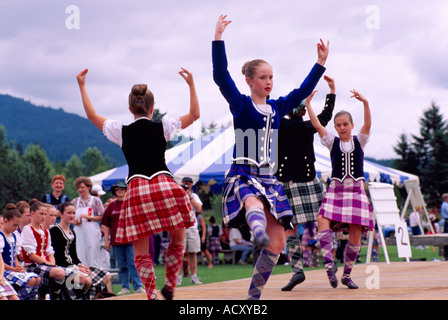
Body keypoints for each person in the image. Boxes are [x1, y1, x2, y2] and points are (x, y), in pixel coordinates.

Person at [213, 15, 328, 299]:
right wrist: (218, 39)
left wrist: (320, 64)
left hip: (269, 177)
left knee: (277, 245)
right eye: (263, 77)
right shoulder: (241, 105)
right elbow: (220, 76)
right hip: (244, 173)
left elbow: (302, 92)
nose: (268, 82)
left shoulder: (277, 108)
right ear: (250, 81)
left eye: (271, 77)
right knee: (251, 200)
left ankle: (253, 296)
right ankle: (257, 230)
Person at [76, 64, 200, 300]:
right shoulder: (163, 126)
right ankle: (170, 285)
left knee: (140, 250)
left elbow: (92, 116)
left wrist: (82, 86)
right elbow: (194, 115)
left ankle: (151, 295)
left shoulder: (121, 130)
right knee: (177, 239)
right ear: (152, 107)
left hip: (137, 188)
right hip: (164, 184)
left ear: (130, 108)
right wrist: (191, 85)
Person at [306, 88, 373, 289]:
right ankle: (328, 263)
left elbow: (368, 124)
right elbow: (317, 125)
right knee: (322, 219)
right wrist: (309, 104)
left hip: (355, 189)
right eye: (338, 125)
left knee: (356, 232)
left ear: (352, 125)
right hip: (335, 188)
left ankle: (347, 274)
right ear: (335, 127)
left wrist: (365, 102)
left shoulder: (359, 140)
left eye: (345, 124)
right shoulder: (331, 142)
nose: (342, 128)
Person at [277, 76, 335, 291]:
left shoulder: (280, 125)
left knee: (289, 228)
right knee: (323, 221)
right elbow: (326, 116)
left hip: (285, 182)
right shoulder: (307, 126)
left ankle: (297, 271)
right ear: (303, 111)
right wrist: (331, 92)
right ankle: (329, 264)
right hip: (308, 179)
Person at [51, 202, 112, 300]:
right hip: (62, 267)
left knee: (106, 276)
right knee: (85, 280)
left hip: (72, 266)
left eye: (73, 213)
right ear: (61, 214)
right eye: (68, 213)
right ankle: (75, 297)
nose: (71, 216)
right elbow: (58, 257)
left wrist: (81, 265)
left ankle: (85, 297)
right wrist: (76, 268)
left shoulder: (72, 231)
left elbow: (73, 255)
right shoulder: (55, 230)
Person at [101, 181, 145, 295]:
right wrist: (106, 240)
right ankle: (125, 287)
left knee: (133, 263)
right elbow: (107, 225)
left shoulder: (132, 204)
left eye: (122, 189)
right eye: (117, 189)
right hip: (116, 240)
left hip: (131, 239)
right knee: (121, 265)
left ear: (126, 190)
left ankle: (138, 286)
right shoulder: (111, 206)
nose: (119, 191)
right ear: (115, 192)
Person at [21, 201, 68, 299]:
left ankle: (59, 295)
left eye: (45, 214)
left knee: (76, 276)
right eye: (41, 214)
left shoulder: (45, 231)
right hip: (32, 266)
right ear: (32, 214)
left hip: (46, 265)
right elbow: (31, 255)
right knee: (59, 273)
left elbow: (50, 252)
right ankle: (53, 295)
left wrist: (52, 264)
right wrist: (48, 264)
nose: (43, 217)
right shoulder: (27, 229)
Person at [0, 204, 40, 300]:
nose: (16, 227)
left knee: (37, 279)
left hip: (9, 270)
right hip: (6, 271)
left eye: (18, 225)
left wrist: (17, 266)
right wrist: (13, 269)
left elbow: (14, 256)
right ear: (5, 221)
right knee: (30, 280)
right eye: (14, 225)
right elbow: (1, 261)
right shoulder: (1, 236)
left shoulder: (14, 236)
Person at [71, 176, 106, 269]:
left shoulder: (96, 200)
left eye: (82, 187)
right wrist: (75, 222)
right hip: (79, 231)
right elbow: (69, 218)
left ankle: (95, 276)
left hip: (92, 231)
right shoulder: (75, 201)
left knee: (93, 253)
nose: (80, 189)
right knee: (80, 253)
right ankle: (83, 278)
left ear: (88, 187)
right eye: (78, 188)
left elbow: (102, 216)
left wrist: (88, 217)